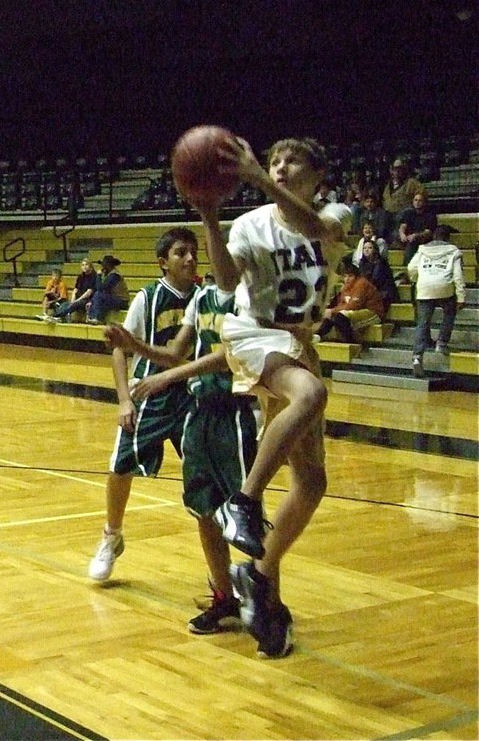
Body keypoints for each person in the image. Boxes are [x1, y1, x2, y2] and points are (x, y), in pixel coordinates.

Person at [196, 134, 352, 659]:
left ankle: (260, 580)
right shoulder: (251, 223)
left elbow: (317, 228)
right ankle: (244, 501)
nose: (280, 167)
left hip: (297, 342)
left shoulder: (337, 213)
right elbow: (222, 279)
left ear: (317, 175)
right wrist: (211, 217)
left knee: (312, 482)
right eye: (274, 161)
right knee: (310, 394)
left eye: (293, 161)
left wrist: (258, 177)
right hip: (252, 333)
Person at [114, 274, 258, 635]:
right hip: (200, 411)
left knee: (245, 513)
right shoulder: (202, 298)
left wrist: (167, 378)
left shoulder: (251, 297)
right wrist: (134, 343)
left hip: (235, 411)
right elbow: (174, 353)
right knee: (203, 509)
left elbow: (230, 355)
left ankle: (267, 600)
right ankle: (224, 597)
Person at [86, 228, 198, 582]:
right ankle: (111, 536)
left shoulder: (204, 297)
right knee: (121, 467)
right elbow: (119, 346)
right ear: (163, 262)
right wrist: (123, 399)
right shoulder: (148, 298)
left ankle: (223, 568)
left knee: (206, 475)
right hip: (150, 392)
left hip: (191, 394)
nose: (190, 258)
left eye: (193, 252)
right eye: (181, 253)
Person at [407, 224, 465, 378]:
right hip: (444, 286)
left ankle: (417, 357)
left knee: (423, 322)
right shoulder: (454, 251)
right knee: (450, 311)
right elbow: (458, 276)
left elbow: (411, 268)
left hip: (425, 286)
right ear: (448, 238)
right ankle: (441, 343)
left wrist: (417, 280)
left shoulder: (422, 250)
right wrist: (461, 296)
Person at [315, 256, 387, 344]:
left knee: (340, 316)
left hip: (373, 312)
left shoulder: (361, 283)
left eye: (350, 276)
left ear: (356, 276)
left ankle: (351, 343)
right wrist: (331, 312)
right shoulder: (345, 287)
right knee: (333, 316)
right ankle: (318, 336)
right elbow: (342, 304)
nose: (347, 279)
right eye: (345, 276)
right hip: (357, 311)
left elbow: (355, 305)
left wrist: (333, 310)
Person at [43, 258, 98, 323]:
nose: (84, 267)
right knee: (65, 304)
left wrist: (77, 300)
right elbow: (75, 289)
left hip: (87, 300)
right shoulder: (81, 276)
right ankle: (58, 318)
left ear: (90, 266)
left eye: (86, 265)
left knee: (74, 305)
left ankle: (55, 316)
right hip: (78, 299)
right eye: (83, 265)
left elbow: (89, 292)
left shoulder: (94, 276)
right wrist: (73, 300)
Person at [396, 191, 437, 269]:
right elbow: (403, 226)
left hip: (423, 239)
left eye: (420, 200)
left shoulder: (430, 215)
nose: (417, 202)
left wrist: (415, 235)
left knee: (412, 244)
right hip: (408, 238)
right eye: (415, 200)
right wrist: (402, 234)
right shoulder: (408, 213)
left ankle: (406, 268)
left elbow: (428, 232)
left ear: (424, 202)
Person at [356, 237, 398, 312]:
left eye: (370, 248)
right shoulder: (362, 263)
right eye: (364, 248)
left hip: (383, 292)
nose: (366, 250)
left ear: (375, 250)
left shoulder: (381, 262)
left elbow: (376, 280)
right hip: (370, 291)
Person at [86, 254, 129, 324]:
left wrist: (98, 276)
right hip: (114, 298)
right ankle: (92, 317)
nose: (102, 267)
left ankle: (97, 318)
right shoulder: (109, 274)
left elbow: (101, 289)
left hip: (121, 301)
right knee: (96, 296)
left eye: (104, 265)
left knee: (98, 295)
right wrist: (92, 301)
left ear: (109, 265)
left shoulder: (114, 275)